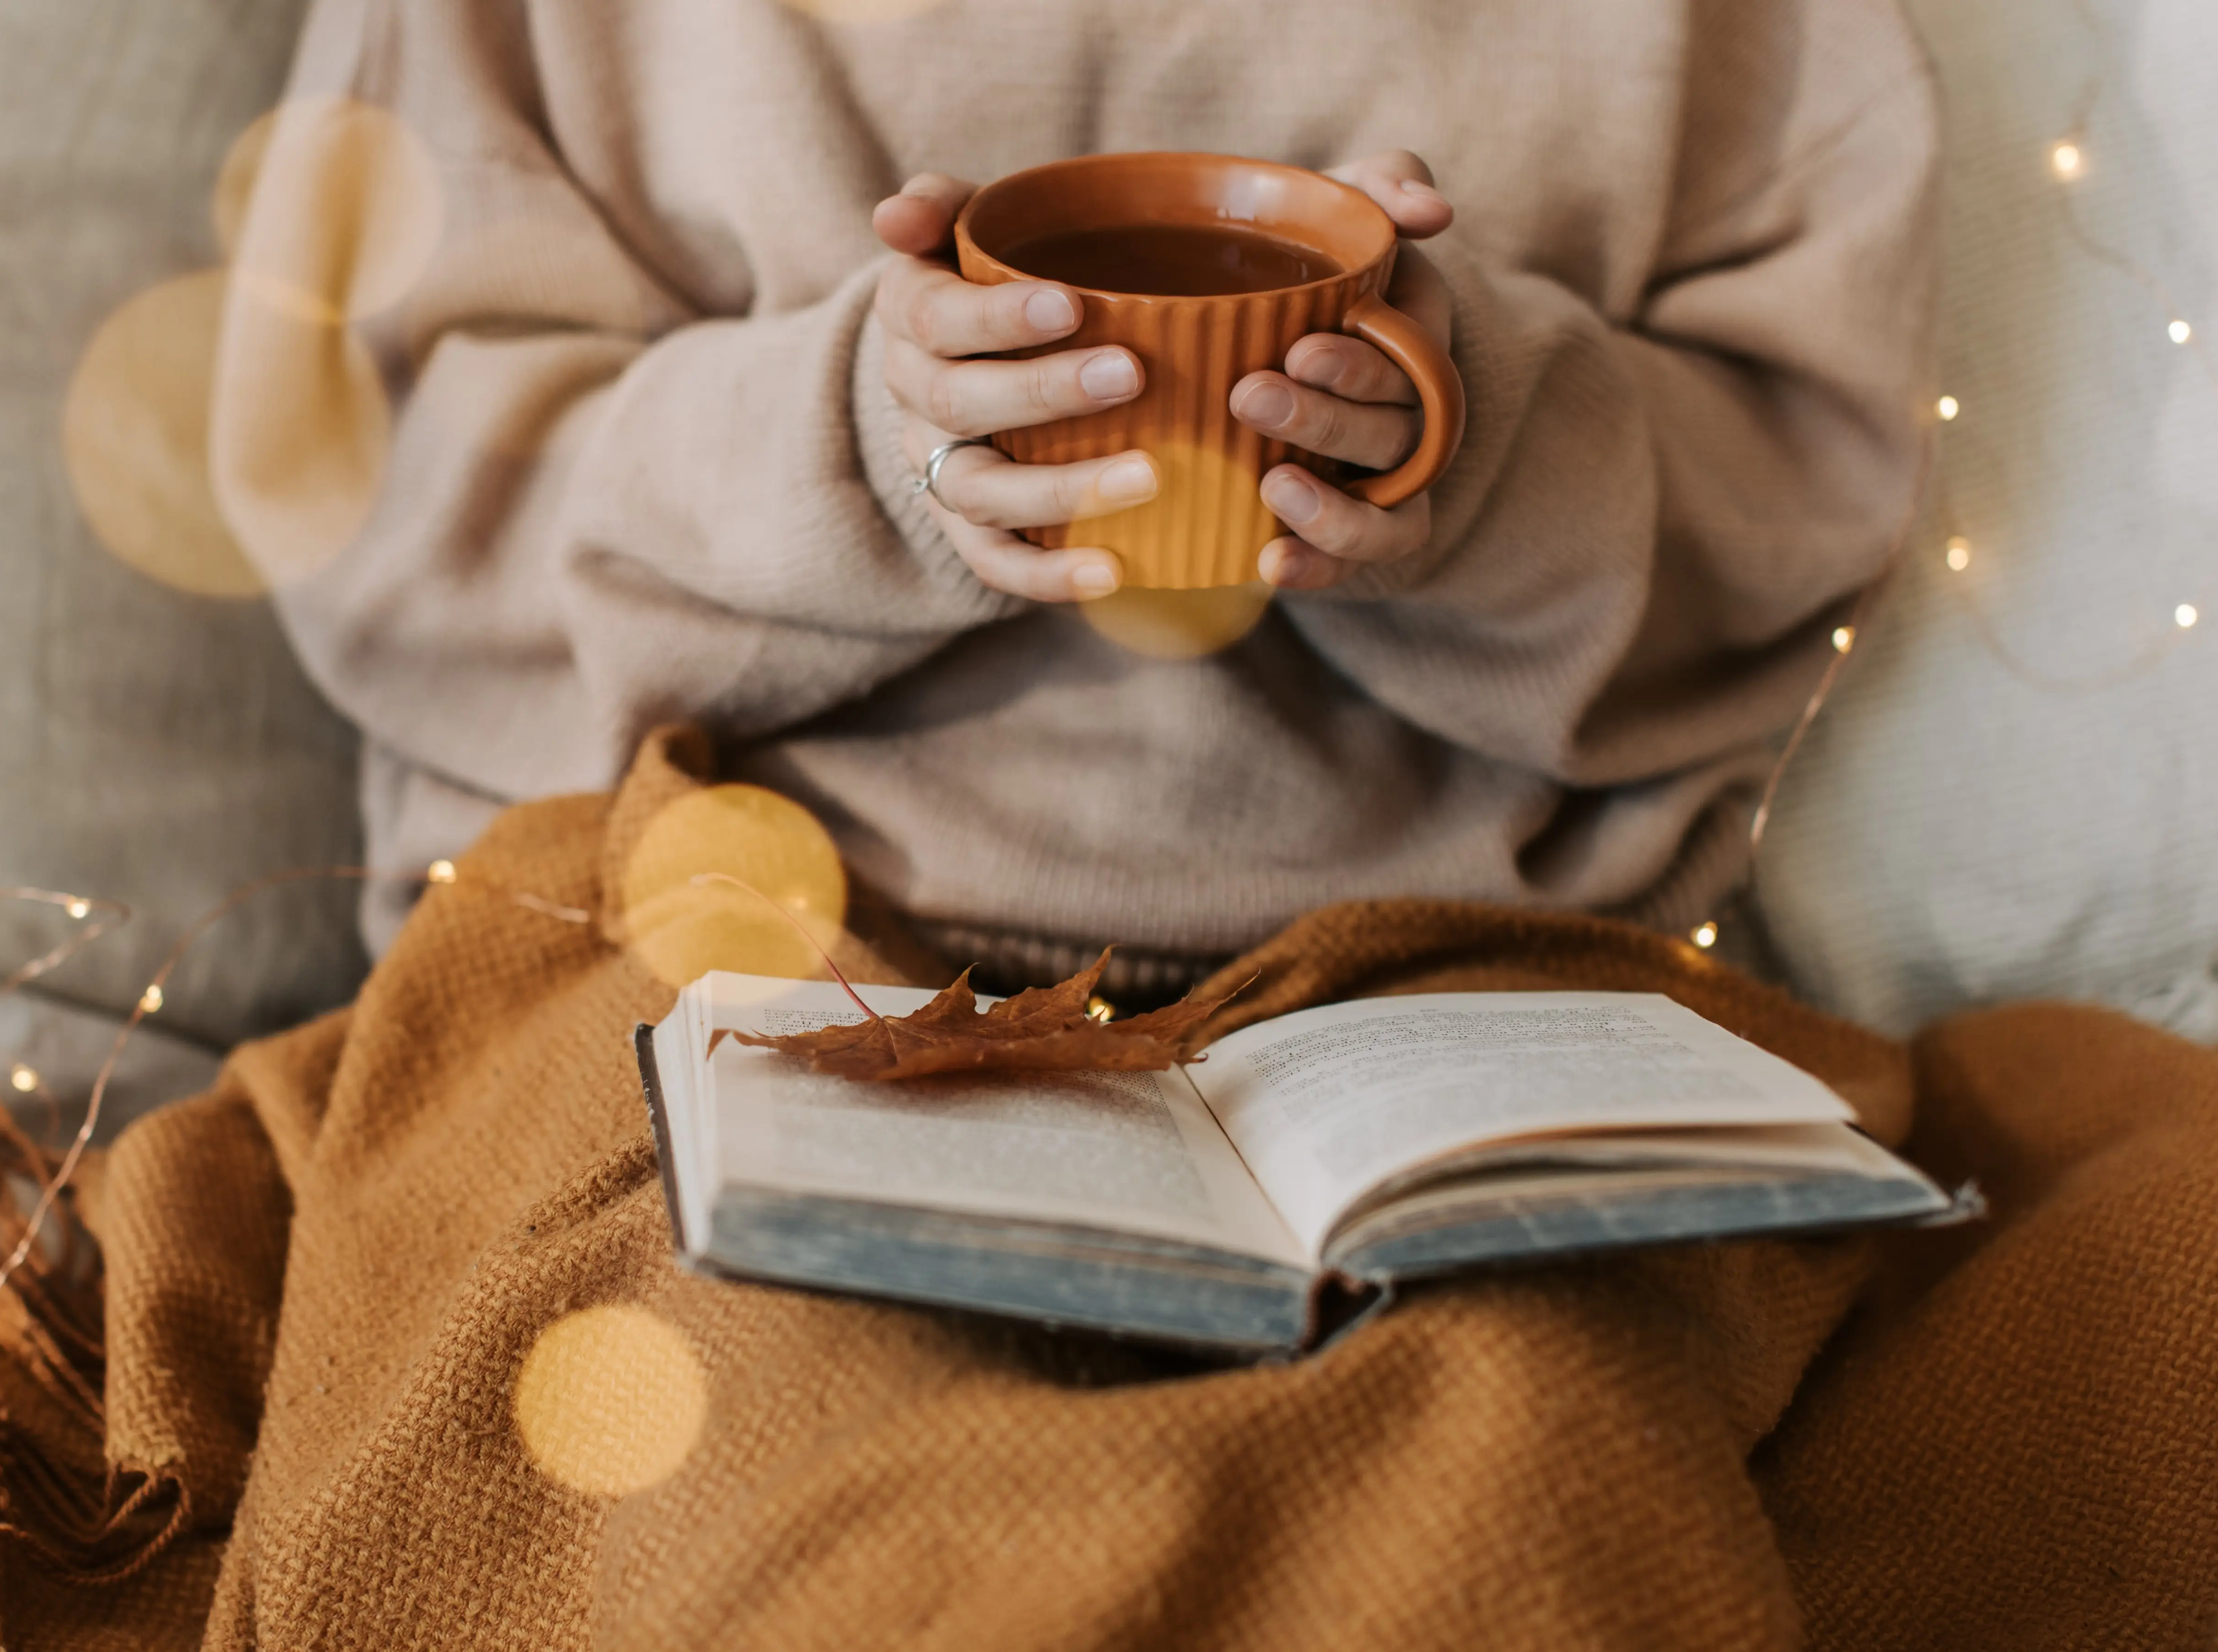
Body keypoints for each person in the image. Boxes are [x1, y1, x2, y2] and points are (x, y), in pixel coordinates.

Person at [254, 0, 1939, 999]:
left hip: (1463, 983)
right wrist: (861, 443)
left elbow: (1801, 476)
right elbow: (381, 490)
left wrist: (1473, 437)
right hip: (688, 949)